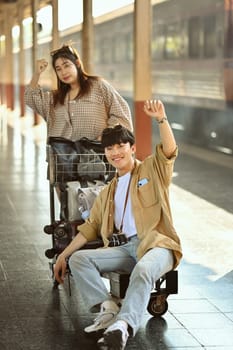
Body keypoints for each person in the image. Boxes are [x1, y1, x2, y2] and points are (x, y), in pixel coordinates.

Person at [54, 99, 182, 350]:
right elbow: (89, 227)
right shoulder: (108, 191)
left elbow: (169, 150)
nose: (116, 152)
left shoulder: (151, 170)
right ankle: (108, 308)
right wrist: (63, 255)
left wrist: (161, 119)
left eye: (121, 146)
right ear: (105, 153)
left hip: (157, 244)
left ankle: (123, 327)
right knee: (79, 259)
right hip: (125, 249)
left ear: (132, 148)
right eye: (110, 148)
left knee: (144, 271)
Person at [24, 44, 133, 142]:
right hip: (62, 160)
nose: (63, 72)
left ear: (77, 63)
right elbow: (31, 98)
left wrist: (106, 136)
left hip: (95, 159)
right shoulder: (54, 98)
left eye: (66, 65)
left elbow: (121, 114)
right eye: (58, 69)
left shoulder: (98, 86)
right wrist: (37, 74)